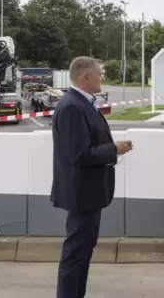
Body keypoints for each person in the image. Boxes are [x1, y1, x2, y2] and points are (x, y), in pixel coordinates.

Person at [51, 56, 134, 298]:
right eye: (99, 74)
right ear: (85, 77)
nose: (102, 78)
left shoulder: (83, 103)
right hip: (81, 194)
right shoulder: (72, 107)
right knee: (75, 252)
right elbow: (78, 154)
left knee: (83, 251)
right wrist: (114, 148)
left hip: (89, 193)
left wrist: (112, 148)